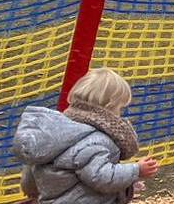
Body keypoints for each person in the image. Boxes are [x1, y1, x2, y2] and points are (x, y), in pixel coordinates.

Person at [11, 68, 160, 204]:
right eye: (120, 107)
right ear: (110, 107)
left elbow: (33, 168)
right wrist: (135, 170)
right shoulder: (95, 141)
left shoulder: (56, 133)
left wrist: (31, 190)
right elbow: (102, 178)